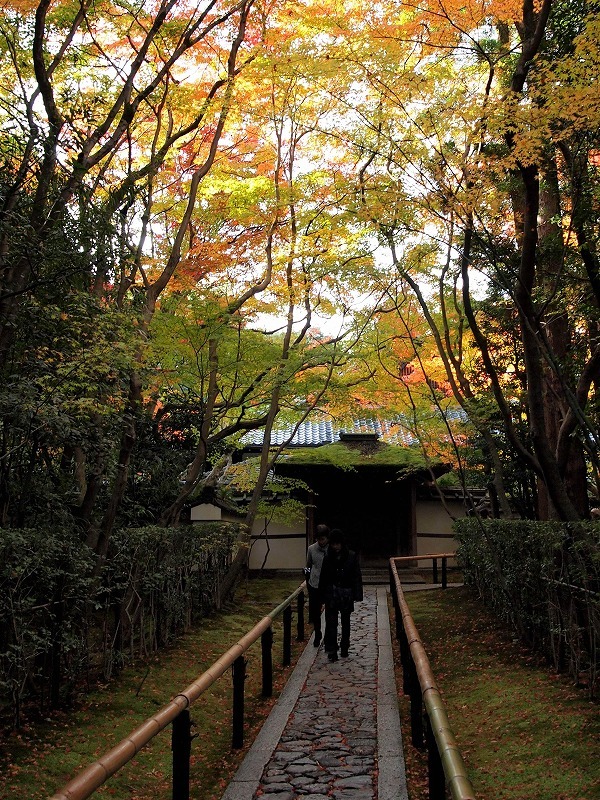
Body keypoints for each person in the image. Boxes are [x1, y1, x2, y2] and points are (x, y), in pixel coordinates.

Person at [318, 528, 363, 662]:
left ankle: (344, 646)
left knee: (345, 622)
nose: (336, 547)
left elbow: (356, 576)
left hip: (346, 593)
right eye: (333, 544)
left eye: (338, 544)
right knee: (331, 623)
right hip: (331, 593)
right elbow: (323, 577)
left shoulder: (351, 556)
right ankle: (332, 649)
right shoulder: (327, 557)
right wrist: (321, 596)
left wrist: (357, 593)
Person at [304, 524, 330, 646]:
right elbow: (308, 565)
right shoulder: (311, 549)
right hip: (314, 583)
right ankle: (317, 632)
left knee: (330, 611)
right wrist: (307, 578)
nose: (321, 541)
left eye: (323, 539)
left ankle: (329, 634)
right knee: (315, 611)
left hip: (329, 584)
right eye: (319, 539)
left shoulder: (332, 549)